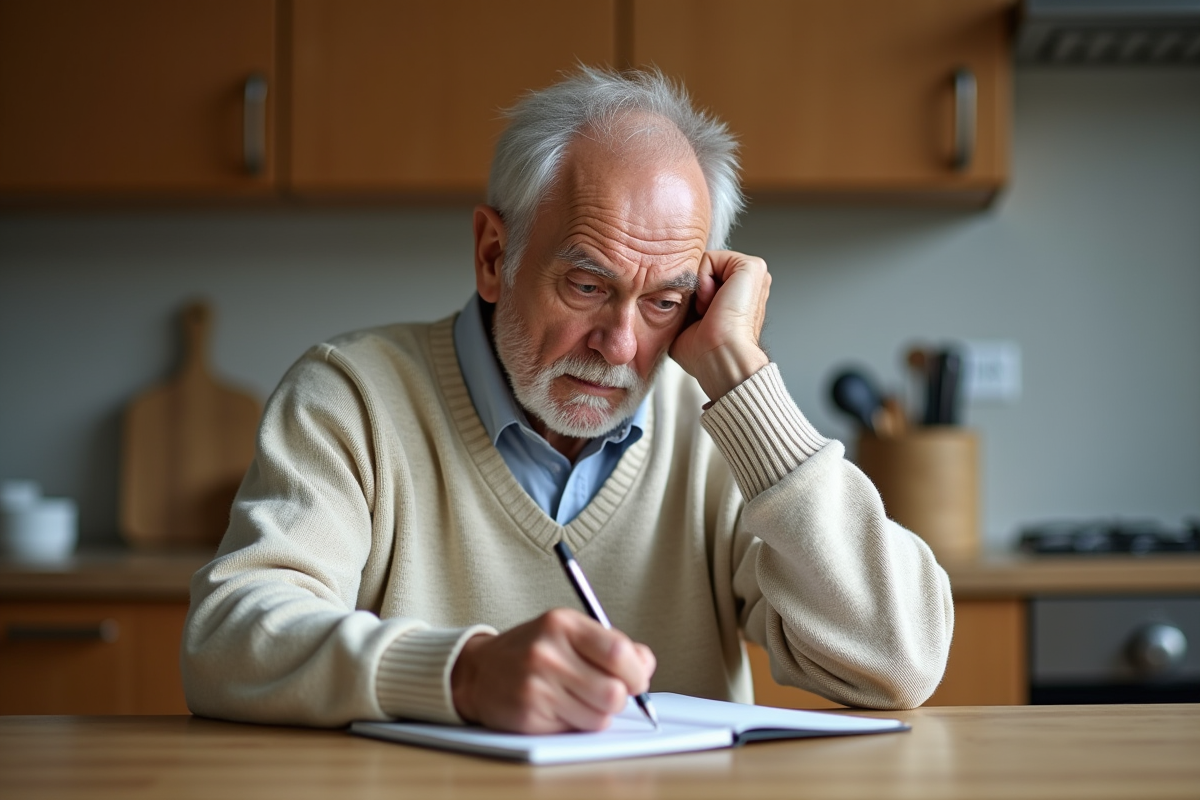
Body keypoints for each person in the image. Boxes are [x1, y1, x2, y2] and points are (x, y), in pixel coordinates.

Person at [182, 67, 953, 733]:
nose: (619, 346)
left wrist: (744, 381)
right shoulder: (350, 399)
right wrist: (464, 675)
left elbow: (900, 662)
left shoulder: (718, 431)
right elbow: (227, 641)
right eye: (588, 286)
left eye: (664, 303)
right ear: (494, 256)